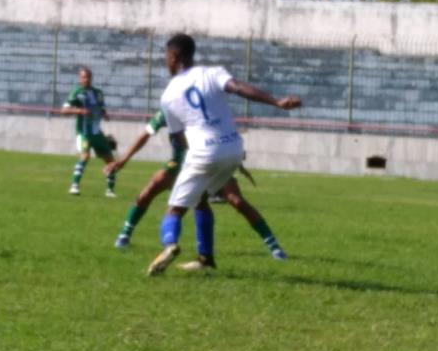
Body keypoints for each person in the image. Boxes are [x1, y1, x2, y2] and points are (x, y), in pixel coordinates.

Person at [147, 34, 301, 276]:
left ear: (174, 56)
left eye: (166, 57)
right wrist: (276, 101)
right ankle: (206, 258)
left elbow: (178, 137)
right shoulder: (212, 73)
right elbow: (239, 88)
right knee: (200, 201)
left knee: (174, 210)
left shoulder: (168, 96)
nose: (166, 61)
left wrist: (200, 153)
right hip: (233, 148)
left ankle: (170, 244)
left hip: (203, 152)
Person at [104, 109, 289, 261]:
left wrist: (237, 163)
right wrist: (123, 160)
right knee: (151, 189)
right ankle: (124, 235)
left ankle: (274, 247)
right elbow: (145, 134)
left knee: (236, 200)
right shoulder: (168, 111)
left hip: (209, 163)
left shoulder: (205, 111)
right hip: (179, 164)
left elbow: (225, 137)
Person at [61, 67, 117, 197]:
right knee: (85, 156)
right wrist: (79, 111)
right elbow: (64, 111)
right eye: (83, 77)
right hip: (84, 132)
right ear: (80, 78)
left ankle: (110, 191)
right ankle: (74, 186)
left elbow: (101, 108)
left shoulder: (98, 93)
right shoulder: (76, 92)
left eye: (88, 77)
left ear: (91, 78)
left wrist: (105, 115)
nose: (86, 79)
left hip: (97, 133)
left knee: (110, 160)